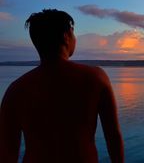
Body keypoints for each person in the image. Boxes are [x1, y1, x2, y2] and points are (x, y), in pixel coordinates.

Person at [0, 9, 124, 163]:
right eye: (73, 32)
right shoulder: (96, 78)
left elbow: (7, 153)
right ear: (66, 37)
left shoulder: (15, 90)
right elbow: (113, 136)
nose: (75, 38)